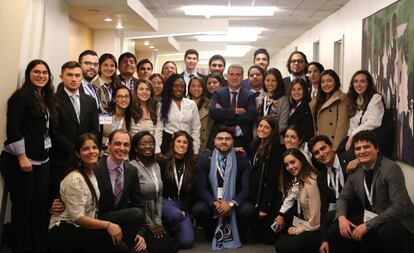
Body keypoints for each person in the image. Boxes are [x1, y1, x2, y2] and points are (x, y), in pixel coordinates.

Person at [52, 129, 147, 252]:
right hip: (91, 221)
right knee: (120, 247)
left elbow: (139, 204)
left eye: (126, 144)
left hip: (119, 222)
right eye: (117, 143)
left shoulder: (132, 170)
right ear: (109, 145)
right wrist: (56, 205)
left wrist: (139, 233)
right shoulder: (93, 167)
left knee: (136, 217)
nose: (122, 148)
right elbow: (67, 196)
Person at [0, 59, 58, 253]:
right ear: (28, 74)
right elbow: (13, 129)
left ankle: (37, 245)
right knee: (23, 209)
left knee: (39, 207)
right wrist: (22, 156)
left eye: (44, 72)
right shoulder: (21, 97)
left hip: (43, 160)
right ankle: (22, 247)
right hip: (22, 161)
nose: (41, 76)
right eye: (36, 72)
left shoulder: (46, 97)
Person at [328, 130, 414, 253]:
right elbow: (343, 198)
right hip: (373, 217)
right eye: (358, 149)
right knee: (335, 230)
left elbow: (398, 208)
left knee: (387, 232)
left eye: (366, 147)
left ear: (377, 149)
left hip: (396, 220)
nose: (362, 151)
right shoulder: (356, 171)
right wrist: (341, 218)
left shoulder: (391, 168)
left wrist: (368, 225)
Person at [48, 134, 118, 253]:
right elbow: (77, 218)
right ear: (77, 153)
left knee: (132, 218)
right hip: (65, 228)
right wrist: (108, 225)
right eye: (86, 149)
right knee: (108, 237)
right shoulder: (75, 178)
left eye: (94, 147)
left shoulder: (91, 172)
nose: (91, 151)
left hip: (83, 223)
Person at [192, 127, 255, 250]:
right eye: (220, 139)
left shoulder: (241, 158)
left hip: (234, 200)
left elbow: (246, 189)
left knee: (248, 210)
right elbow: (201, 188)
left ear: (233, 141)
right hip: (213, 200)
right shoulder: (205, 158)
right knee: (198, 209)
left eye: (227, 139)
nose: (224, 142)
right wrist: (216, 203)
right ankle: (210, 232)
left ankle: (240, 232)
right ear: (214, 141)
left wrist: (230, 204)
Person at [50, 61, 99, 205]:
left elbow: (95, 129)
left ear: (82, 77)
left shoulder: (90, 100)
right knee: (61, 201)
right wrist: (76, 150)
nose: (73, 79)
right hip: (62, 159)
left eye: (77, 75)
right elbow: (54, 131)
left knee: (84, 199)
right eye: (69, 75)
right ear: (61, 77)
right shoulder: (53, 100)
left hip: (86, 160)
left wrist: (86, 150)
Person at [307, 134, 360, 253]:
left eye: (323, 148)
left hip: (359, 211)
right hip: (339, 214)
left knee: (334, 231)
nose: (321, 154)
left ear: (331, 147)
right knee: (330, 232)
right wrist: (323, 239)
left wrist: (358, 160)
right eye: (316, 153)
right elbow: (324, 208)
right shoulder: (321, 177)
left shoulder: (351, 157)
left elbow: (375, 154)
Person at [130, 131, 177, 253]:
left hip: (155, 216)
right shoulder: (131, 168)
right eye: (143, 144)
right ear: (135, 148)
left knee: (170, 248)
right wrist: (150, 224)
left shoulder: (156, 165)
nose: (148, 146)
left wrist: (158, 221)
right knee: (158, 249)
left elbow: (159, 195)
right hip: (140, 218)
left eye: (151, 143)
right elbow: (135, 202)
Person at [274, 148, 321, 253]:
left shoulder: (311, 182)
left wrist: (299, 230)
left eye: (293, 162)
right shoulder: (301, 180)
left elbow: (316, 220)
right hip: (307, 224)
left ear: (301, 160)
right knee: (280, 243)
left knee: (284, 247)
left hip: (316, 229)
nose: (290, 167)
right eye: (287, 165)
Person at [248, 116, 283, 244]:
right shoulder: (257, 144)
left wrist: (264, 208)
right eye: (260, 126)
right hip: (256, 197)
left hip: (266, 202)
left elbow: (272, 182)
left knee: (267, 240)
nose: (261, 129)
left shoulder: (274, 149)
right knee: (254, 237)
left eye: (266, 127)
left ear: (272, 131)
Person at [159, 131, 196, 249]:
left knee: (187, 242)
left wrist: (184, 210)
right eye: (179, 141)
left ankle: (172, 231)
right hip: (165, 202)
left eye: (185, 142)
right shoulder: (163, 162)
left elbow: (189, 192)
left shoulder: (192, 164)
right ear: (173, 144)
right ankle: (169, 225)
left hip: (180, 204)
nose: (182, 145)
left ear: (188, 146)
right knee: (175, 215)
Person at [209, 64, 256, 151]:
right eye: (232, 74)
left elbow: (250, 117)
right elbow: (214, 113)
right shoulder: (218, 93)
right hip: (220, 140)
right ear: (227, 76)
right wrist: (235, 111)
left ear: (242, 77)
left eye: (238, 75)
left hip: (242, 140)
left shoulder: (250, 95)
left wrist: (224, 113)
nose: (234, 78)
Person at [155, 74, 201, 156]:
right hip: (168, 143)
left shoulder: (191, 104)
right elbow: (159, 128)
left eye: (182, 86)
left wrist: (195, 150)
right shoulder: (162, 104)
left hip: (187, 144)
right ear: (170, 87)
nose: (179, 89)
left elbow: (196, 129)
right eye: (176, 86)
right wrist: (157, 150)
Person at [344, 70, 384, 151]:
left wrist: (352, 136)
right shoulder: (353, 100)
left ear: (368, 84)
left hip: (368, 144)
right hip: (355, 142)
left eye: (362, 81)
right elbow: (352, 125)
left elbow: (373, 122)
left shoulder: (375, 98)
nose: (358, 85)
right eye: (355, 81)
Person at [309, 69, 349, 149]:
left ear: (336, 82)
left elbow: (342, 125)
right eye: (323, 82)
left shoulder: (341, 98)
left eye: (329, 81)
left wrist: (335, 147)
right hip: (319, 144)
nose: (326, 84)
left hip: (332, 145)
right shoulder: (317, 101)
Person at [257, 68, 289, 139]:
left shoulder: (283, 100)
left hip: (276, 140)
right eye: (267, 80)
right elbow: (255, 122)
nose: (270, 84)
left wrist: (268, 136)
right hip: (260, 139)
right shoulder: (259, 99)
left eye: (274, 81)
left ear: (278, 82)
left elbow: (282, 125)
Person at [101, 86, 132, 155]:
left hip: (123, 157)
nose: (124, 99)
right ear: (114, 99)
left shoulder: (131, 119)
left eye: (126, 97)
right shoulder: (105, 116)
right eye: (120, 96)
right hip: (103, 154)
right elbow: (97, 135)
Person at [188, 76, 211, 154]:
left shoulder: (210, 104)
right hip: (187, 143)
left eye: (199, 86)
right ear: (189, 88)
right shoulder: (183, 103)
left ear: (203, 88)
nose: (196, 89)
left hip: (204, 145)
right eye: (193, 86)